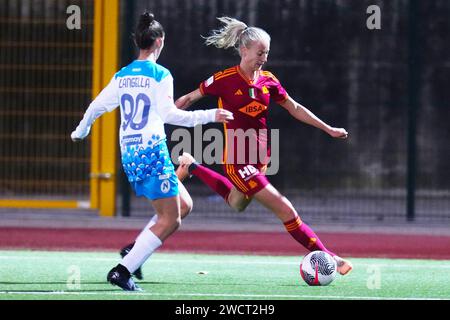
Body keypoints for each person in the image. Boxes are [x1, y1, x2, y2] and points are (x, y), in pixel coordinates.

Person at [174, 17, 353, 275]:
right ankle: (329, 257)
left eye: (267, 53)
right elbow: (190, 98)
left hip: (260, 159)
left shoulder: (268, 80)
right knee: (285, 208)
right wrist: (165, 114)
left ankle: (192, 166)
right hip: (238, 160)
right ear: (243, 50)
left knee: (237, 203)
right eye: (260, 52)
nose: (264, 58)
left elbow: (294, 107)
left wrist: (328, 128)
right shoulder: (223, 79)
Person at [70, 12, 233, 291]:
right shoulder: (160, 74)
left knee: (183, 204)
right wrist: (210, 115)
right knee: (171, 219)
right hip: (151, 152)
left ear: (139, 42)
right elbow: (169, 114)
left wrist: (80, 131)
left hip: (130, 154)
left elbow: (96, 106)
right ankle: (122, 271)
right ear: (159, 42)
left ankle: (133, 251)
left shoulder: (122, 76)